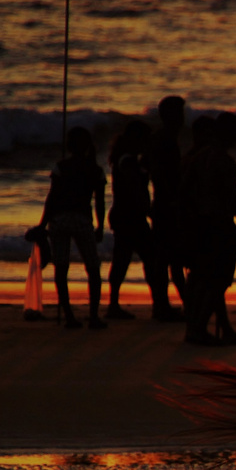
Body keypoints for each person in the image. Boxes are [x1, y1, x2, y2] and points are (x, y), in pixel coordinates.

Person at [181, 111, 236, 346]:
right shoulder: (224, 162)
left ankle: (198, 329)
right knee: (218, 281)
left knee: (201, 279)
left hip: (199, 224)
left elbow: (184, 192)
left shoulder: (197, 157)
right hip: (218, 226)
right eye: (234, 134)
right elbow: (234, 202)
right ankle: (198, 330)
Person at [39, 126, 107, 329]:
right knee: (93, 267)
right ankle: (93, 316)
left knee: (61, 267)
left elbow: (52, 198)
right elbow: (100, 202)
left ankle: (69, 315)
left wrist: (43, 223)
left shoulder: (61, 167)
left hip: (59, 220)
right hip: (82, 220)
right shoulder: (95, 170)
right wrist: (101, 226)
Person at [145, 95, 189, 322]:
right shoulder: (165, 140)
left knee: (166, 257)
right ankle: (163, 306)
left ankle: (163, 305)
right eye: (179, 114)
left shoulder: (163, 138)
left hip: (163, 202)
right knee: (168, 257)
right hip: (167, 204)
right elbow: (160, 173)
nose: (182, 119)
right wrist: (173, 200)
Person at [106, 119, 152, 320]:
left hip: (126, 215)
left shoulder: (127, 159)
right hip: (129, 217)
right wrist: (148, 209)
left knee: (123, 260)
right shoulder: (128, 161)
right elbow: (135, 188)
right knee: (149, 259)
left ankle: (113, 304)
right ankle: (157, 303)